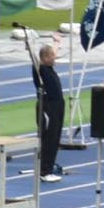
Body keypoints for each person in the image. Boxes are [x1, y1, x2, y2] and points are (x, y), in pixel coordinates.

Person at [32, 37, 68, 181]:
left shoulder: (49, 68)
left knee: (55, 138)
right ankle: (44, 171)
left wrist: (56, 42)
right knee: (49, 139)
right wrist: (29, 44)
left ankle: (48, 167)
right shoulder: (40, 70)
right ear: (45, 58)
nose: (55, 57)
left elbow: (49, 52)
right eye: (52, 56)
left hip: (58, 105)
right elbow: (35, 58)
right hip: (48, 107)